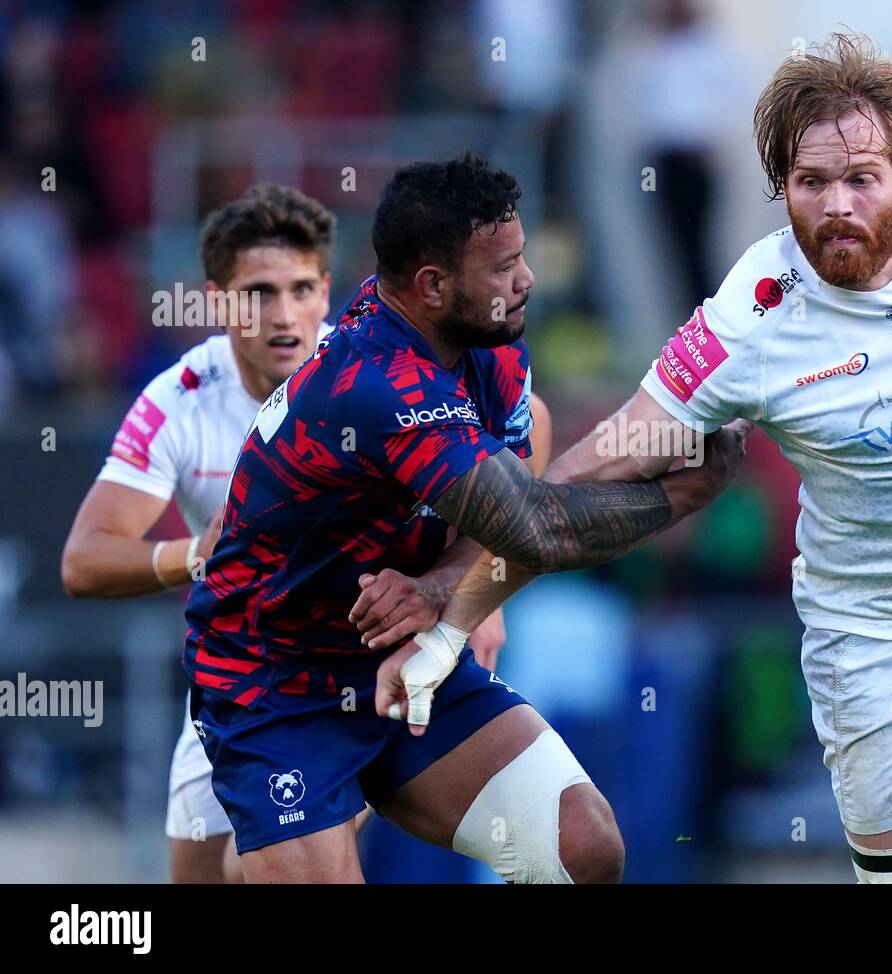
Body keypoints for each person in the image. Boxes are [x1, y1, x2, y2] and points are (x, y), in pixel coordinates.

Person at [360, 35, 892, 884]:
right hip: (873, 645)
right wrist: (449, 597)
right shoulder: (750, 317)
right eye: (811, 183)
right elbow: (598, 464)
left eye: (860, 179)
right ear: (782, 188)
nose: (837, 205)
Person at [182, 155, 747, 883]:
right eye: (505, 266)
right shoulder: (380, 385)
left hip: (402, 648)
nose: (527, 279)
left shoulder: (483, 343)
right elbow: (535, 529)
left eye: (522, 257)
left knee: (584, 846)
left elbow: (529, 454)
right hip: (276, 683)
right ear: (433, 286)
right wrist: (685, 495)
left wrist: (444, 589)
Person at [62, 184, 339, 882]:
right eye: (258, 294)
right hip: (236, 681)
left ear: (326, 292)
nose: (285, 316)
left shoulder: (365, 375)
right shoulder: (178, 398)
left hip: (351, 677)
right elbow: (83, 561)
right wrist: (194, 554)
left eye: (301, 289)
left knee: (264, 865)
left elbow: (528, 419)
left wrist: (479, 598)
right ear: (217, 303)